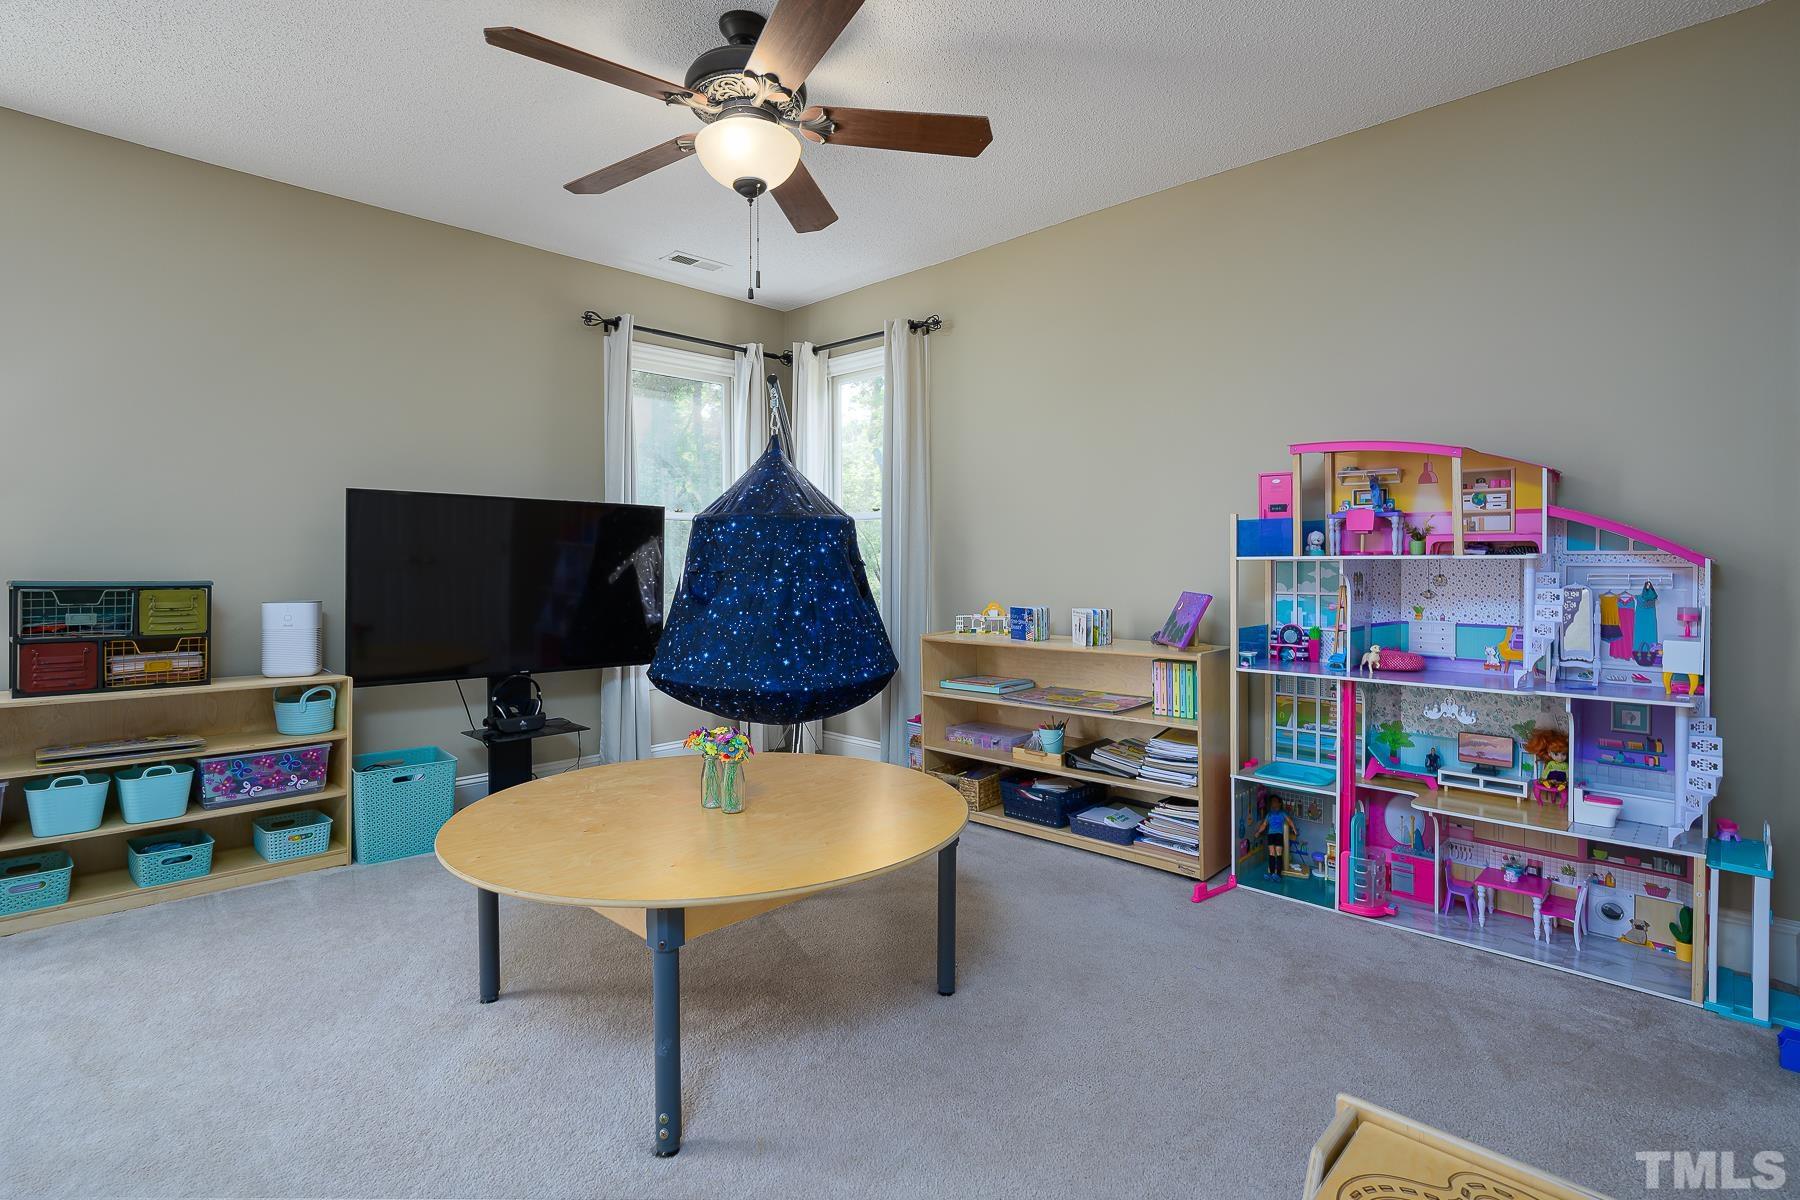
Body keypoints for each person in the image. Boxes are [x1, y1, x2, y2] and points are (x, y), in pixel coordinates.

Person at [1252, 796, 1289, 878]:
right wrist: (1258, 832)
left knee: (1279, 853)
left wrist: (1294, 829)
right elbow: (1264, 825)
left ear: (1279, 803)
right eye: (1272, 802)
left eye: (1275, 802)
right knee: (1271, 853)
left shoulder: (1282, 813)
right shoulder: (1269, 815)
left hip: (1279, 834)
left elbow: (1289, 821)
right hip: (1271, 835)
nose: (1273, 804)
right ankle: (1272, 873)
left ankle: (1278, 874)